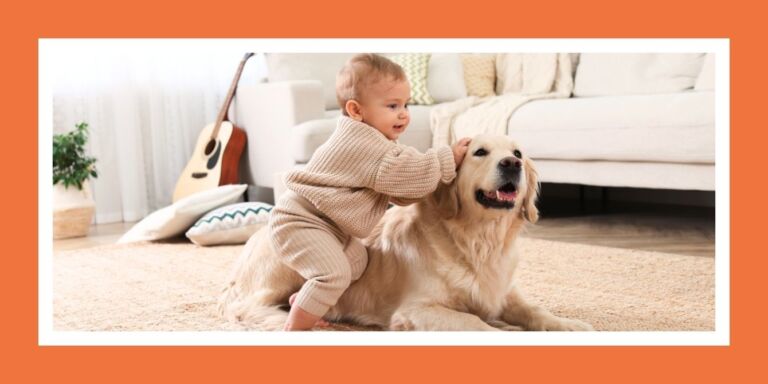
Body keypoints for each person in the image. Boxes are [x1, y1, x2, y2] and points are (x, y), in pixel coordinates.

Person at [268, 53, 472, 330]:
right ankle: (295, 328)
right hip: (300, 221)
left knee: (359, 262)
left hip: (327, 225)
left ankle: (306, 300)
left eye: (405, 104)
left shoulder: (377, 142)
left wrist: (432, 177)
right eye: (392, 105)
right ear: (356, 111)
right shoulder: (362, 144)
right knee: (334, 274)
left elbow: (402, 191)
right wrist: (448, 158)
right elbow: (406, 173)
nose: (403, 113)